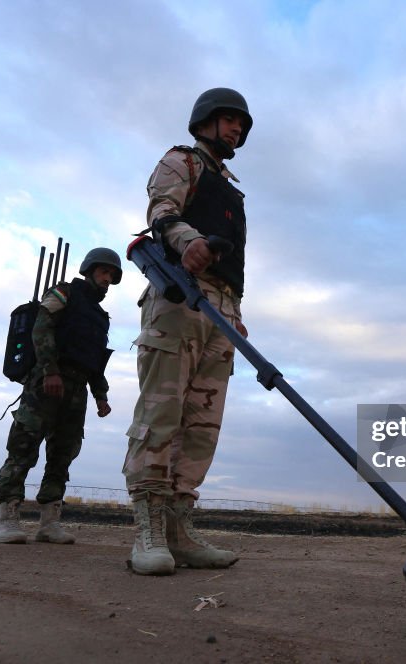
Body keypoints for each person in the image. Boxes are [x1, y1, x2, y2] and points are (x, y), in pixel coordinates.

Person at [123, 87, 252, 575]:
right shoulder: (183, 162)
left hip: (222, 310)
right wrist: (189, 242)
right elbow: (162, 216)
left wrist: (235, 309)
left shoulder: (233, 191)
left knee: (202, 424)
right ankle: (149, 531)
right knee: (161, 414)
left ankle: (179, 529)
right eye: (228, 119)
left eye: (241, 124)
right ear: (203, 122)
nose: (237, 128)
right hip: (180, 297)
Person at [0, 248, 121, 544]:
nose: (107, 279)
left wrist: (101, 396)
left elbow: (95, 360)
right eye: (104, 272)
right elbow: (42, 327)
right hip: (46, 383)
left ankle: (49, 523)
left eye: (112, 276)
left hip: (76, 391)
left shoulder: (101, 317)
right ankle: (8, 519)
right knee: (23, 448)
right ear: (89, 270)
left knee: (63, 455)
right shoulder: (64, 292)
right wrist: (50, 370)